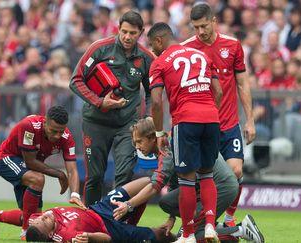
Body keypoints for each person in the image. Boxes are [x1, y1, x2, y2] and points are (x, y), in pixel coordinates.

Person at [114, 118, 264, 243]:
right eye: (135, 143)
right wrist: (171, 219)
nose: (137, 147)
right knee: (166, 202)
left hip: (221, 186)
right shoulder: (169, 142)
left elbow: (155, 185)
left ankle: (240, 230)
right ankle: (214, 225)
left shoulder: (167, 148)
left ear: (152, 137)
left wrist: (129, 205)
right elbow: (175, 185)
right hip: (216, 184)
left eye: (139, 141)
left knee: (191, 237)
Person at [69, 10, 155, 206]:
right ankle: (91, 220)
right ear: (118, 28)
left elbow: (153, 91)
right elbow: (75, 80)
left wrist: (149, 116)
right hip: (96, 122)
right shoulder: (99, 49)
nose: (127, 36)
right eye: (124, 31)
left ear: (141, 32)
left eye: (132, 33)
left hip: (127, 125)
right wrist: (100, 102)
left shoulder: (146, 58)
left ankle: (115, 223)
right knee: (95, 177)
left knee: (124, 173)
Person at [181, 3, 256, 227]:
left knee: (236, 170)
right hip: (201, 126)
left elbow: (242, 83)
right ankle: (197, 222)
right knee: (198, 178)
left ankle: (230, 220)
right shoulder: (187, 49)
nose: (200, 32)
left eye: (203, 26)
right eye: (195, 27)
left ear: (214, 21)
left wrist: (250, 120)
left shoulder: (232, 45)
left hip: (229, 123)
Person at [148, 22, 223, 243]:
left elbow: (155, 101)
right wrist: (209, 111)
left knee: (187, 180)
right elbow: (218, 90)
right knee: (207, 175)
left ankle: (188, 235)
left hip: (186, 120)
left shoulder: (160, 63)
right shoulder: (201, 55)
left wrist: (160, 132)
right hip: (211, 118)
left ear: (160, 40)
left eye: (153, 45)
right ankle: (210, 227)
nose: (153, 50)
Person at [0, 106, 83, 240]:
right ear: (45, 122)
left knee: (37, 220)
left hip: (31, 168)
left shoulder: (66, 137)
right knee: (38, 179)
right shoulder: (29, 126)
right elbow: (30, 162)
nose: (57, 135)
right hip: (7, 158)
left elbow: (72, 169)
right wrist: (60, 174)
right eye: (53, 131)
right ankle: (25, 231)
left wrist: (75, 194)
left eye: (61, 131)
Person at [24, 177, 176, 243]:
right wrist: (89, 237)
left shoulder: (37, 219)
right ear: (50, 233)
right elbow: (106, 239)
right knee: (160, 235)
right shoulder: (67, 235)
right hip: (109, 229)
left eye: (39, 218)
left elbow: (20, 217)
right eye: (44, 221)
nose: (43, 216)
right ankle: (180, 238)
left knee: (147, 182)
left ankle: (131, 221)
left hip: (99, 208)